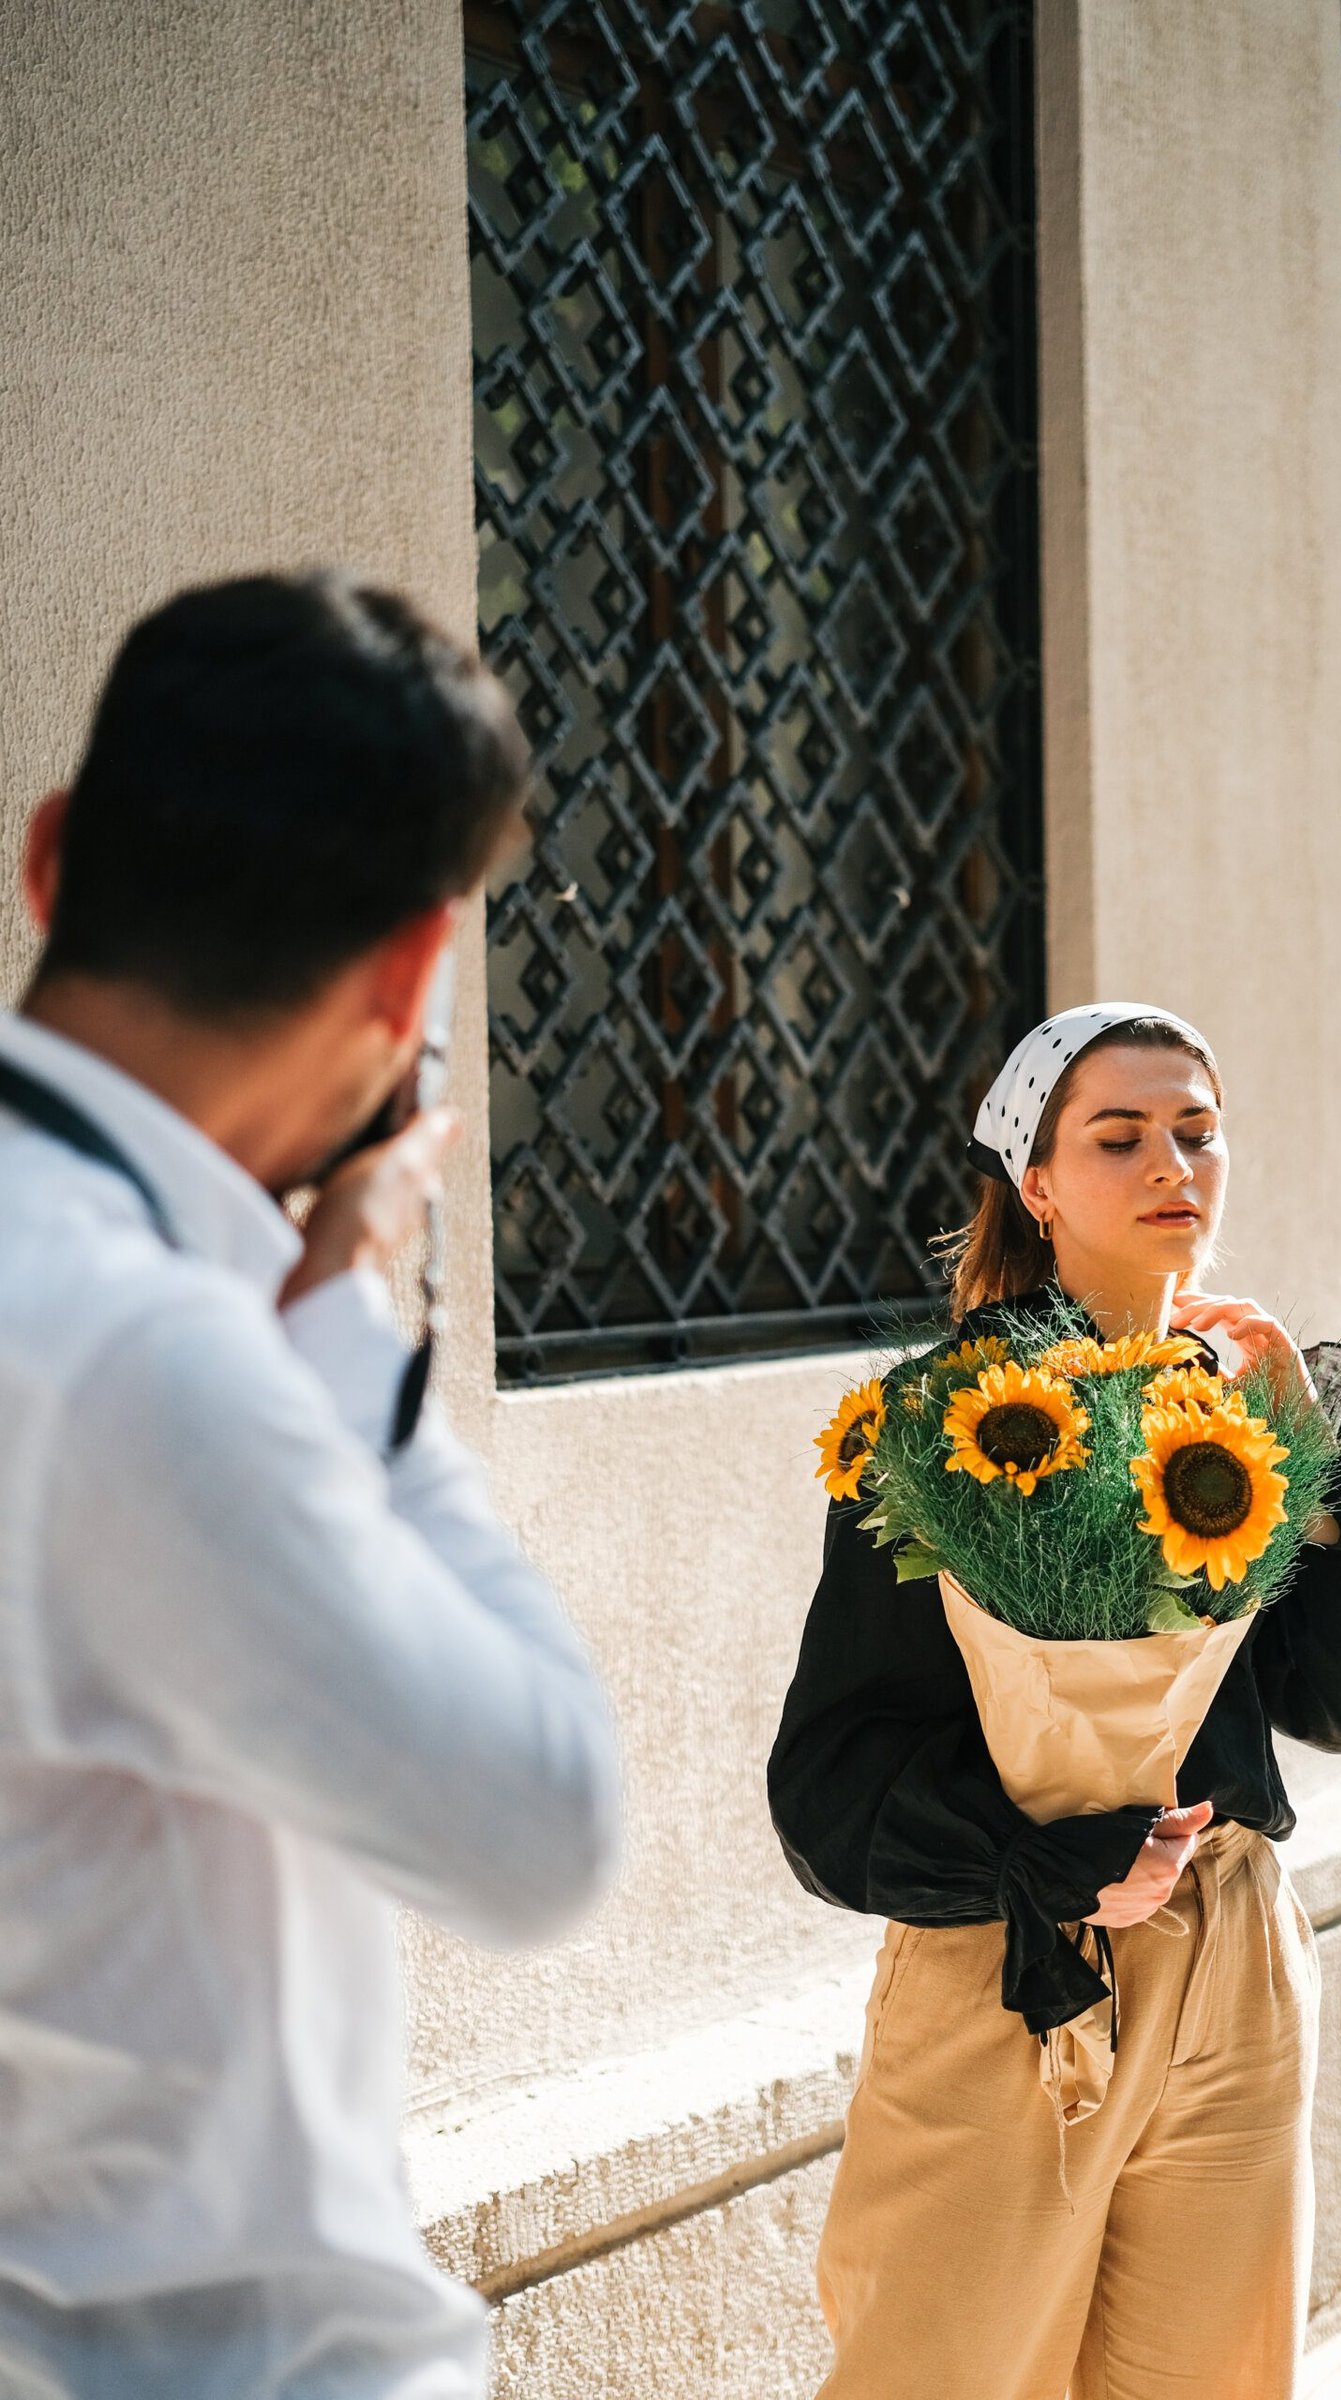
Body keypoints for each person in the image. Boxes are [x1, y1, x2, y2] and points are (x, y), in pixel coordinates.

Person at [0, 573, 621, 2399]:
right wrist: (356, 1326)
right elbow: (541, 1829)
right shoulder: (150, 1355)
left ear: (49, 861)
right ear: (415, 974)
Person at [768, 1002, 1341, 2400]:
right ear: (1035, 1182)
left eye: (1199, 1133)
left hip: (1237, 1948)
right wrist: (1053, 1860)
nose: (1174, 1166)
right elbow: (829, 1781)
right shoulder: (945, 1429)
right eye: (1122, 1136)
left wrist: (1309, 1472)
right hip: (1009, 1968)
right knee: (943, 2377)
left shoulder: (1238, 1411)